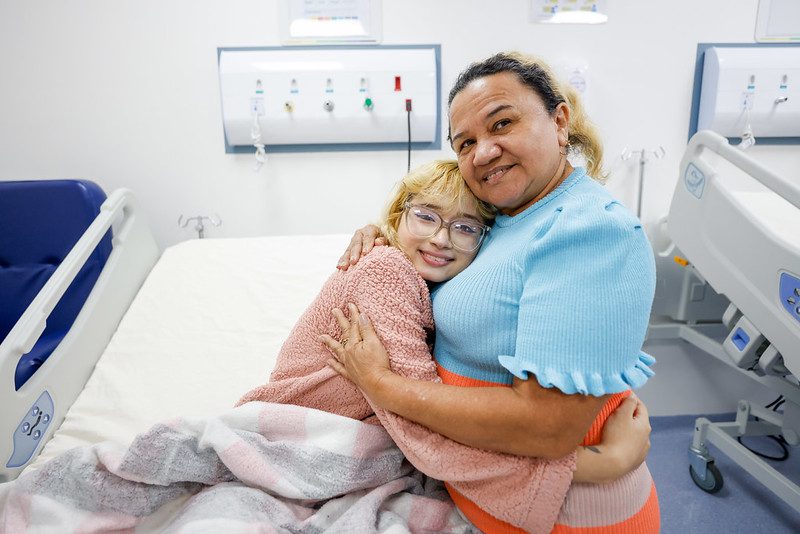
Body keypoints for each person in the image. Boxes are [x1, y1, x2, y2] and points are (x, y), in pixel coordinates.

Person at [325, 51, 659, 533]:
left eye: (502, 124)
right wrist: (389, 237)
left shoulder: (592, 233)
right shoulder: (503, 213)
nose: (482, 153)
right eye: (466, 143)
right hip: (483, 495)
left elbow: (546, 427)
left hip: (565, 512)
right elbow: (448, 252)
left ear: (559, 121)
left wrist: (382, 386)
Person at [238, 160, 651, 532]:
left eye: (465, 228)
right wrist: (602, 464)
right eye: (425, 217)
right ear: (398, 215)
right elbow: (419, 425)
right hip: (303, 435)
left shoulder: (432, 276)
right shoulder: (386, 271)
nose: (440, 239)